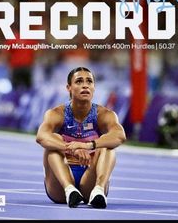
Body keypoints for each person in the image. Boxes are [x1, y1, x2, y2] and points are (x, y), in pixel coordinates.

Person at [36, 67, 126, 208]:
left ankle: (99, 190)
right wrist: (72, 148)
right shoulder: (57, 113)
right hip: (60, 182)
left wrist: (87, 145)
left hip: (89, 178)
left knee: (109, 147)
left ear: (94, 87)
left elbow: (120, 136)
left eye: (89, 81)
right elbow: (41, 136)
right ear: (69, 88)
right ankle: (70, 191)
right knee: (52, 143)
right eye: (79, 81)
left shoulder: (104, 114)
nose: (85, 85)